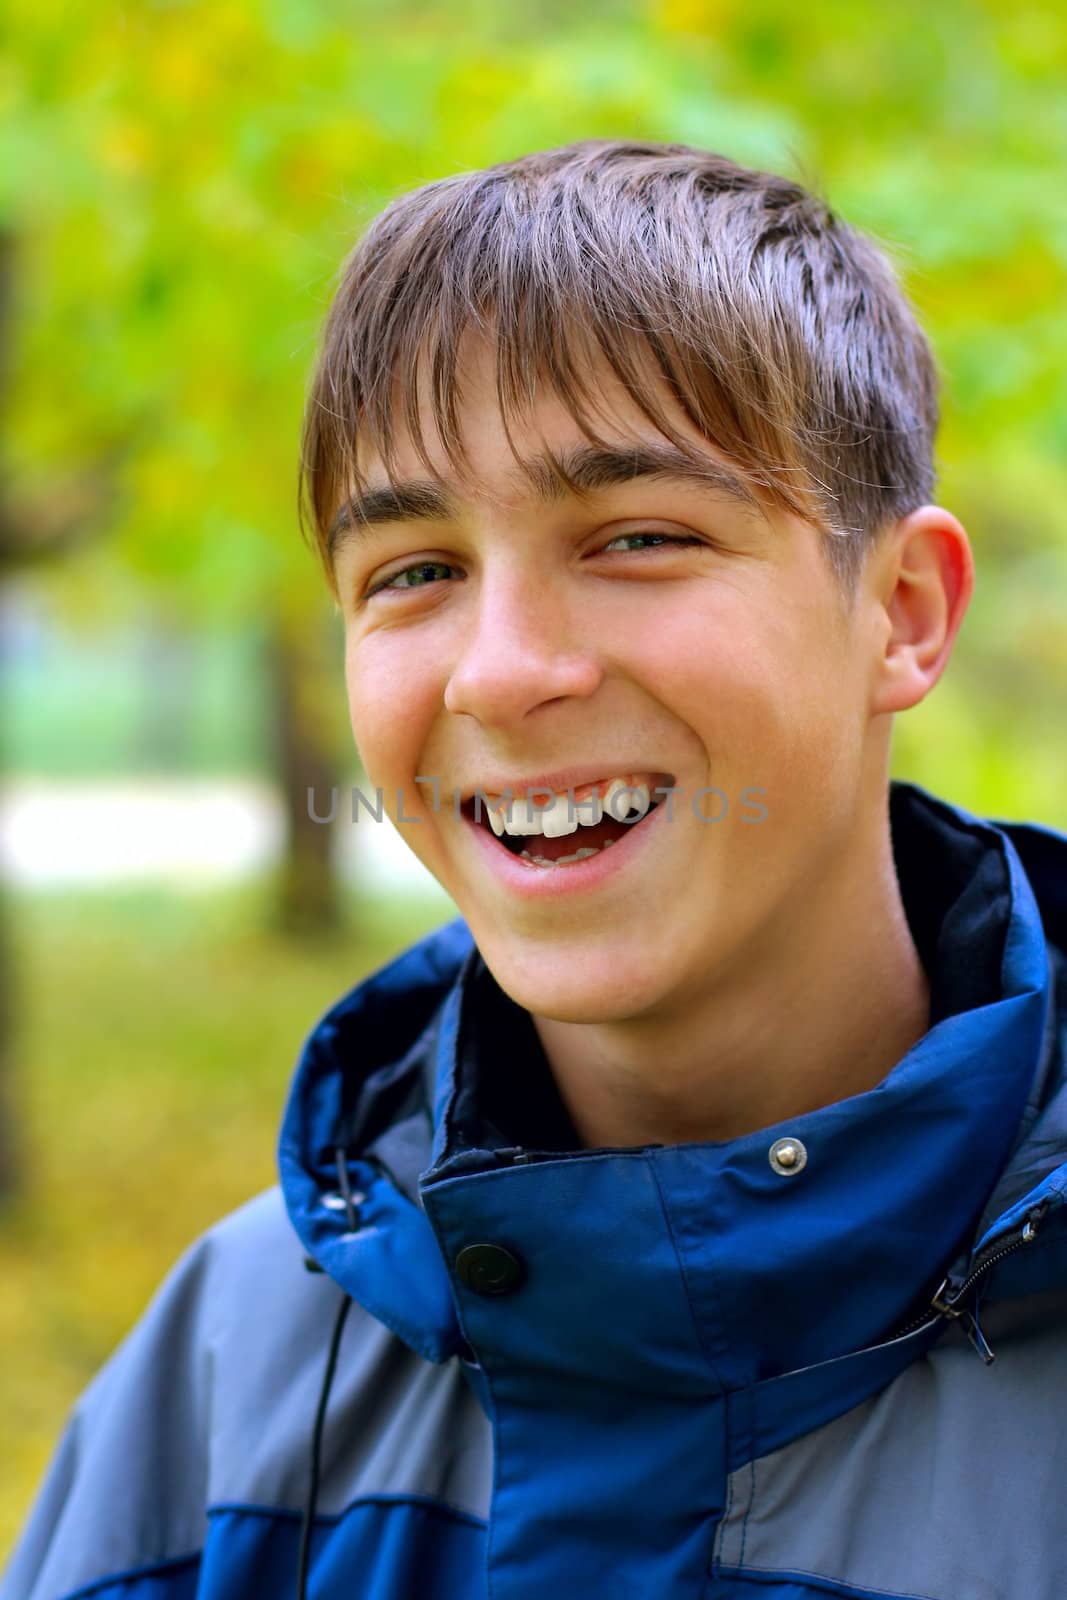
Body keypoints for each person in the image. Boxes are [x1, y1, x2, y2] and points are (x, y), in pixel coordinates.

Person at [4, 138, 1066, 1600]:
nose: (502, 676)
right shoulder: (232, 1368)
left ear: (902, 612)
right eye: (415, 573)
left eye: (637, 536)